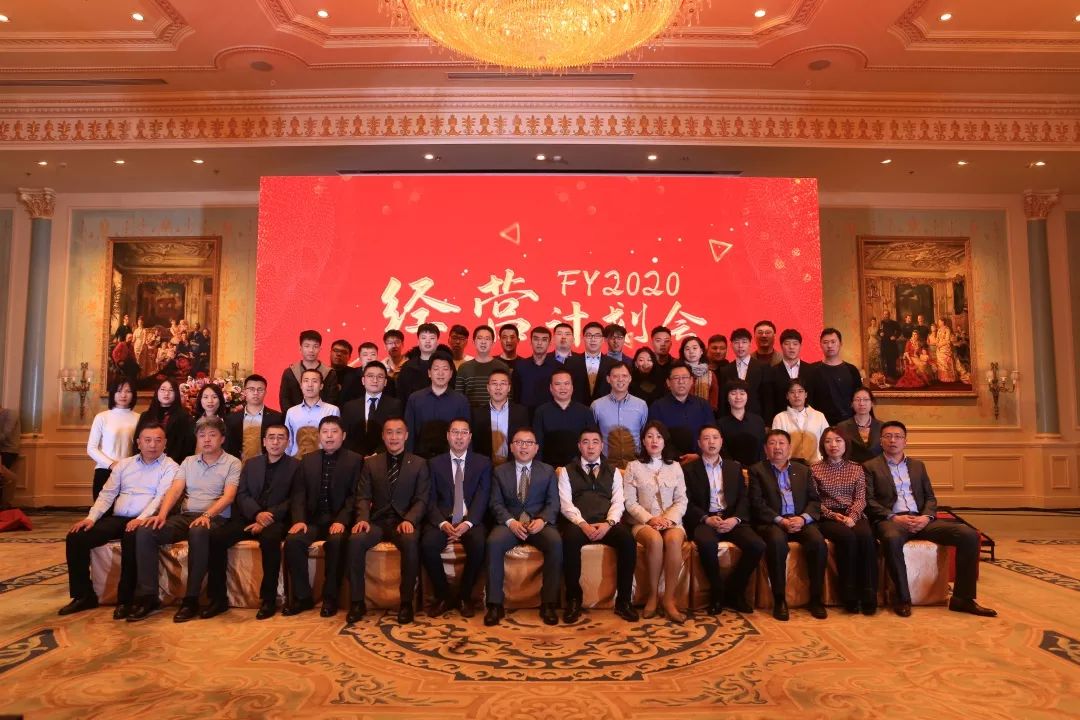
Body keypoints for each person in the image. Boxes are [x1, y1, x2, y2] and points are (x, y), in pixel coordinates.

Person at [864, 421, 996, 617]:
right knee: (891, 539)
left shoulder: (918, 466)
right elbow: (869, 500)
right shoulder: (869, 467)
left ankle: (963, 599)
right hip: (892, 521)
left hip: (921, 519)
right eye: (888, 436)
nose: (893, 440)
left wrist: (926, 517)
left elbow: (930, 498)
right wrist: (893, 517)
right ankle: (902, 599)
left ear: (905, 441)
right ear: (880, 441)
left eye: (898, 436)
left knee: (968, 535)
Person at [129, 416, 242, 623]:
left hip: (215, 518)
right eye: (202, 435)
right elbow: (175, 490)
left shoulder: (232, 463)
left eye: (212, 435)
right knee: (146, 531)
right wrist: (161, 515)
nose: (206, 439)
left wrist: (207, 515)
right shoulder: (189, 462)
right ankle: (148, 596)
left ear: (222, 439)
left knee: (198, 531)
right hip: (186, 516)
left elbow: (229, 496)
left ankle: (191, 599)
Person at [60, 422, 178, 618]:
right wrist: (91, 518)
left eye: (158, 440)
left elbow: (160, 498)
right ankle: (83, 595)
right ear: (138, 443)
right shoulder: (125, 464)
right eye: (147, 440)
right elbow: (107, 494)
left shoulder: (171, 467)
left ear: (165, 443)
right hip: (119, 517)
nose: (152, 445)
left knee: (133, 536)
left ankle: (127, 600)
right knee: (77, 537)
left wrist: (141, 519)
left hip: (145, 519)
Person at [205, 424, 298, 620]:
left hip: (275, 520)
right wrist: (256, 514)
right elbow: (242, 494)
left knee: (270, 540)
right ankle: (218, 599)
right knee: (216, 537)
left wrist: (267, 517)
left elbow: (294, 499)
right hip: (249, 517)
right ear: (264, 441)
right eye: (271, 437)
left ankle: (268, 599)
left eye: (280, 438)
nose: (275, 442)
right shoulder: (251, 463)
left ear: (288, 442)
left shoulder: (296, 466)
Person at [347, 417, 429, 624]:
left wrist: (410, 519)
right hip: (376, 521)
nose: (394, 437)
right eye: (389, 432)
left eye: (398, 432)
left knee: (411, 542)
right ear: (383, 436)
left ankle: (406, 603)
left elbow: (422, 499)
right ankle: (357, 602)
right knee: (355, 540)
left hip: (403, 521)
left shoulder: (419, 463)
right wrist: (363, 519)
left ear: (406, 435)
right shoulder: (371, 463)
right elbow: (363, 496)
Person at [282, 416, 362, 617]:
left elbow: (355, 496)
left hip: (338, 521)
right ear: (319, 436)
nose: (329, 436)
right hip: (313, 521)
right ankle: (303, 597)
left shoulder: (355, 460)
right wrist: (299, 520)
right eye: (325, 432)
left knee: (336, 542)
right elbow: (299, 494)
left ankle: (330, 598)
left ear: (343, 435)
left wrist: (342, 521)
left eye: (334, 432)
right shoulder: (308, 460)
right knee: (293, 541)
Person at [557, 428, 638, 623]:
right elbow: (565, 504)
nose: (590, 446)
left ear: (602, 446)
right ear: (579, 446)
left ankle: (624, 601)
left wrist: (608, 524)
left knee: (627, 540)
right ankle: (574, 600)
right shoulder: (567, 471)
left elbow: (618, 502)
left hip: (606, 522)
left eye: (595, 442)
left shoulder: (614, 471)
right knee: (569, 539)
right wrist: (583, 524)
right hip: (579, 523)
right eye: (585, 442)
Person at [682, 425, 764, 615]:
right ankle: (717, 592)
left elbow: (744, 498)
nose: (711, 442)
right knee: (706, 544)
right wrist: (705, 518)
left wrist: (735, 519)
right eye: (706, 438)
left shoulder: (734, 467)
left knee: (757, 545)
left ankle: (735, 591)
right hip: (706, 519)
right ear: (699, 443)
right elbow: (686, 501)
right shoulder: (688, 470)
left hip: (730, 518)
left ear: (721, 441)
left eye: (715, 438)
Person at [485, 428, 562, 627]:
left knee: (555, 543)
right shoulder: (500, 471)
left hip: (538, 524)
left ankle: (549, 604)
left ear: (536, 448)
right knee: (493, 542)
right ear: (511, 447)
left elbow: (553, 503)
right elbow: (495, 503)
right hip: (510, 523)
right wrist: (510, 522)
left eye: (528, 443)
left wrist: (542, 520)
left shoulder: (548, 471)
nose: (524, 447)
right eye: (519, 442)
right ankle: (494, 604)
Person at [748, 429, 827, 621]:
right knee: (776, 543)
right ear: (765, 449)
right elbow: (757, 503)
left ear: (789, 447)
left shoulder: (803, 470)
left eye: (781, 443)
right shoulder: (757, 470)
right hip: (773, 521)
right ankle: (779, 599)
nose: (777, 447)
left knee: (818, 543)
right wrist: (781, 520)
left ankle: (816, 598)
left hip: (800, 520)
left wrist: (803, 518)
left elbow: (814, 500)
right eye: (772, 443)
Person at [420, 419, 491, 618]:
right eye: (455, 432)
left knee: (479, 544)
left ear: (470, 437)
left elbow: (483, 496)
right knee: (427, 545)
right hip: (443, 519)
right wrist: (442, 523)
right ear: (448, 436)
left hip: (470, 519)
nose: (459, 437)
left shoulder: (483, 463)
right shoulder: (434, 464)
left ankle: (464, 596)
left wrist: (468, 523)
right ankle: (443, 596)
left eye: (463, 432)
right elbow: (429, 498)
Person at [623, 421, 688, 622]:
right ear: (643, 441)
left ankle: (669, 599)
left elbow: (681, 500)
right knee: (655, 540)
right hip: (643, 522)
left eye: (659, 437)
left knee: (674, 540)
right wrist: (650, 519)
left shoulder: (675, 467)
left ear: (664, 441)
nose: (654, 440)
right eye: (650, 436)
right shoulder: (633, 466)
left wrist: (668, 520)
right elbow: (630, 502)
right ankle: (652, 596)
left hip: (671, 522)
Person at [810, 427, 878, 615]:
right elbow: (814, 501)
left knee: (866, 537)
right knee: (847, 538)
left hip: (853, 514)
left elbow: (861, 499)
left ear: (846, 443)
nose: (833, 445)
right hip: (827, 516)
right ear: (822, 445)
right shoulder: (814, 469)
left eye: (838, 440)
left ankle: (869, 594)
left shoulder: (857, 468)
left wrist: (852, 517)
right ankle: (849, 595)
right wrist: (834, 515)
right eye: (828, 441)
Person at [403, 352, 471, 458]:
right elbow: (409, 433)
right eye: (436, 369)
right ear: (429, 373)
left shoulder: (461, 401)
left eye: (445, 369)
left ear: (451, 374)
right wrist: (408, 459)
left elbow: (466, 434)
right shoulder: (415, 399)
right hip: (420, 458)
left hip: (450, 458)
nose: (440, 373)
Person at [647, 363, 716, 461]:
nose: (681, 381)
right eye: (676, 378)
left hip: (702, 460)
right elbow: (655, 438)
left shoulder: (703, 405)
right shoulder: (657, 407)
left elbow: (712, 434)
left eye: (685, 377)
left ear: (691, 381)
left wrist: (699, 455)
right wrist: (677, 458)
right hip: (669, 462)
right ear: (668, 383)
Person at [87, 378, 140, 501]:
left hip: (130, 472)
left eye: (128, 391)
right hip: (104, 470)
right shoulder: (102, 417)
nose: (123, 395)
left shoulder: (139, 418)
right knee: (103, 510)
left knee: (128, 510)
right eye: (119, 391)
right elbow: (91, 448)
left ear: (133, 394)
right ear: (113, 393)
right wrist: (111, 464)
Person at [591, 363, 649, 469]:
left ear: (630, 378)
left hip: (636, 465)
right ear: (608, 379)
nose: (620, 379)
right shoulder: (597, 405)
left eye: (624, 376)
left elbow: (644, 434)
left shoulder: (641, 405)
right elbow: (592, 436)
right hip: (606, 466)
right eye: (615, 376)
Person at [340, 361, 404, 456]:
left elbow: (395, 433)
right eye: (370, 376)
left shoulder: (395, 405)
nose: (375, 380)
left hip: (384, 456)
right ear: (363, 380)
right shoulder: (350, 407)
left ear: (385, 382)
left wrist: (377, 454)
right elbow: (345, 435)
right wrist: (359, 456)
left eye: (380, 377)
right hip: (355, 457)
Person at [532, 368, 593, 468]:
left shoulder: (585, 411)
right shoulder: (541, 412)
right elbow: (537, 443)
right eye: (558, 384)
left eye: (566, 384)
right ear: (551, 388)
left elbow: (591, 442)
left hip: (579, 468)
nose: (562, 388)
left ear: (572, 387)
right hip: (548, 468)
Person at [470, 369, 528, 465]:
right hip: (485, 466)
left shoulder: (521, 412)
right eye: (494, 384)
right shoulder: (477, 414)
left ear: (509, 388)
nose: (498, 387)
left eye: (503, 384)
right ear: (488, 388)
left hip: (513, 465)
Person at [807, 328, 863, 426]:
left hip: (849, 423)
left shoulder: (852, 370)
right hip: (820, 424)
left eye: (833, 342)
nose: (829, 346)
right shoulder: (812, 370)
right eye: (825, 342)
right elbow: (808, 401)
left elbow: (859, 398)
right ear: (820, 345)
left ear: (840, 344)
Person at [224, 374, 284, 461]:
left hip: (268, 465)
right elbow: (228, 448)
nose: (256, 393)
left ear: (265, 392)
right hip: (238, 466)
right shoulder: (232, 419)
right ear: (245, 392)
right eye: (251, 389)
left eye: (260, 389)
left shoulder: (277, 418)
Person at [134, 378, 195, 464]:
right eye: (163, 389)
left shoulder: (184, 417)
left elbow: (188, 446)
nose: (166, 393)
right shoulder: (145, 416)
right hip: (145, 464)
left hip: (174, 465)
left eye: (171, 390)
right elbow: (137, 442)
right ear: (157, 392)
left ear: (176, 394)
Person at [284, 369, 341, 458]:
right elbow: (288, 441)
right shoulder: (291, 412)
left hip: (323, 460)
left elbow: (336, 439)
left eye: (314, 381)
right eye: (306, 381)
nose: (310, 385)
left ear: (321, 386)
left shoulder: (332, 410)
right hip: (296, 460)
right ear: (301, 385)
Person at [770, 379, 829, 465]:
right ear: (787, 396)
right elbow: (775, 444)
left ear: (806, 394)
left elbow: (827, 440)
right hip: (789, 466)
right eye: (792, 392)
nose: (796, 395)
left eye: (800, 391)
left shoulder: (819, 416)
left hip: (816, 465)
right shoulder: (780, 418)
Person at [279, 329, 339, 412]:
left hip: (323, 417)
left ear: (320, 349)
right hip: (295, 418)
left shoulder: (330, 373)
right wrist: (294, 416)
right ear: (300, 348)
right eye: (307, 346)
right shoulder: (289, 373)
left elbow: (332, 399)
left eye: (315, 346)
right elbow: (284, 399)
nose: (311, 350)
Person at [565, 321, 622, 405]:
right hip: (577, 408)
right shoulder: (571, 362)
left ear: (603, 339)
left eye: (597, 336)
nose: (593, 339)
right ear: (583, 338)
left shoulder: (613, 364)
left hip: (605, 409)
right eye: (589, 335)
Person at [454, 326, 510, 408]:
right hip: (470, 414)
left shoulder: (503, 367)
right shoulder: (464, 368)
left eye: (487, 339)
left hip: (497, 413)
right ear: (474, 342)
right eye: (480, 338)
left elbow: (509, 397)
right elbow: (458, 398)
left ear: (493, 343)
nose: (483, 342)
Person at [766, 328, 814, 422]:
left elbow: (814, 397)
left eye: (795, 344)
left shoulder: (811, 370)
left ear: (800, 346)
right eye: (787, 343)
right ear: (781, 346)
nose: (791, 347)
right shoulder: (772, 372)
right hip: (781, 421)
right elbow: (769, 401)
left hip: (808, 420)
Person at [717, 380, 766, 469]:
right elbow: (722, 451)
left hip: (758, 469)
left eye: (742, 393)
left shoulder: (758, 421)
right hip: (732, 469)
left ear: (747, 396)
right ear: (727, 397)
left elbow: (763, 448)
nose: (738, 397)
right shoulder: (720, 424)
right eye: (733, 393)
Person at [718, 328, 767, 418]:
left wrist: (767, 422)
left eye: (744, 342)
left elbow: (767, 397)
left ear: (750, 344)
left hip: (756, 417)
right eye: (736, 342)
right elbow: (723, 399)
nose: (740, 346)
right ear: (731, 345)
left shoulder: (763, 367)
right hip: (731, 418)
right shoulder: (725, 370)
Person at [512, 325, 559, 416]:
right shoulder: (520, 366)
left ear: (550, 343)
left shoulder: (557, 367)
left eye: (544, 340)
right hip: (525, 415)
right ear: (531, 342)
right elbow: (515, 395)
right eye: (536, 339)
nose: (539, 343)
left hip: (551, 414)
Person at [396, 323, 449, 403]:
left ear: (438, 342)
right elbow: (401, 396)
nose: (427, 341)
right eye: (423, 338)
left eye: (432, 338)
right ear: (418, 341)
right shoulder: (408, 367)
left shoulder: (447, 365)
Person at [835, 387, 883, 463]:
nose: (861, 403)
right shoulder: (842, 427)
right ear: (852, 404)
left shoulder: (882, 426)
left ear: (872, 403)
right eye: (857, 400)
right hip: (850, 468)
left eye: (866, 400)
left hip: (876, 468)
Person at [678, 336, 720, 410]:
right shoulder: (677, 372)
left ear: (701, 351)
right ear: (683, 352)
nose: (691, 351)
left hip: (704, 414)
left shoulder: (710, 375)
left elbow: (713, 402)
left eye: (694, 348)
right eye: (687, 349)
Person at [329, 339, 362, 404]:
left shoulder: (357, 375)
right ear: (330, 352)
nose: (339, 354)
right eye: (336, 350)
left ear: (349, 357)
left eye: (344, 352)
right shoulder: (321, 373)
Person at [0, 406, 19, 508]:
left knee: (3, 475)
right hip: (2, 450)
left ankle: (5, 504)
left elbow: (5, 434)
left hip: (8, 450)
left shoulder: (11, 413)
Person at [878, 311, 902, 381]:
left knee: (892, 360)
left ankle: (893, 375)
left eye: (887, 314)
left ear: (889, 315)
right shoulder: (881, 322)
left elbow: (899, 331)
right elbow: (879, 331)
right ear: (883, 315)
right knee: (885, 360)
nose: (886, 315)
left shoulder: (894, 323)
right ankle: (887, 376)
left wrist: (895, 336)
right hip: (884, 344)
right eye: (884, 314)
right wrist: (880, 333)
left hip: (892, 344)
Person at [934, 318, 958, 383]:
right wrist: (937, 343)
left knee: (946, 361)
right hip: (939, 347)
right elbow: (937, 338)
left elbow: (947, 340)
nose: (939, 323)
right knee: (940, 361)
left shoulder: (947, 329)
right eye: (938, 322)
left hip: (945, 347)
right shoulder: (939, 330)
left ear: (943, 322)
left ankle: (948, 377)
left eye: (940, 322)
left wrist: (940, 345)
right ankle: (942, 377)